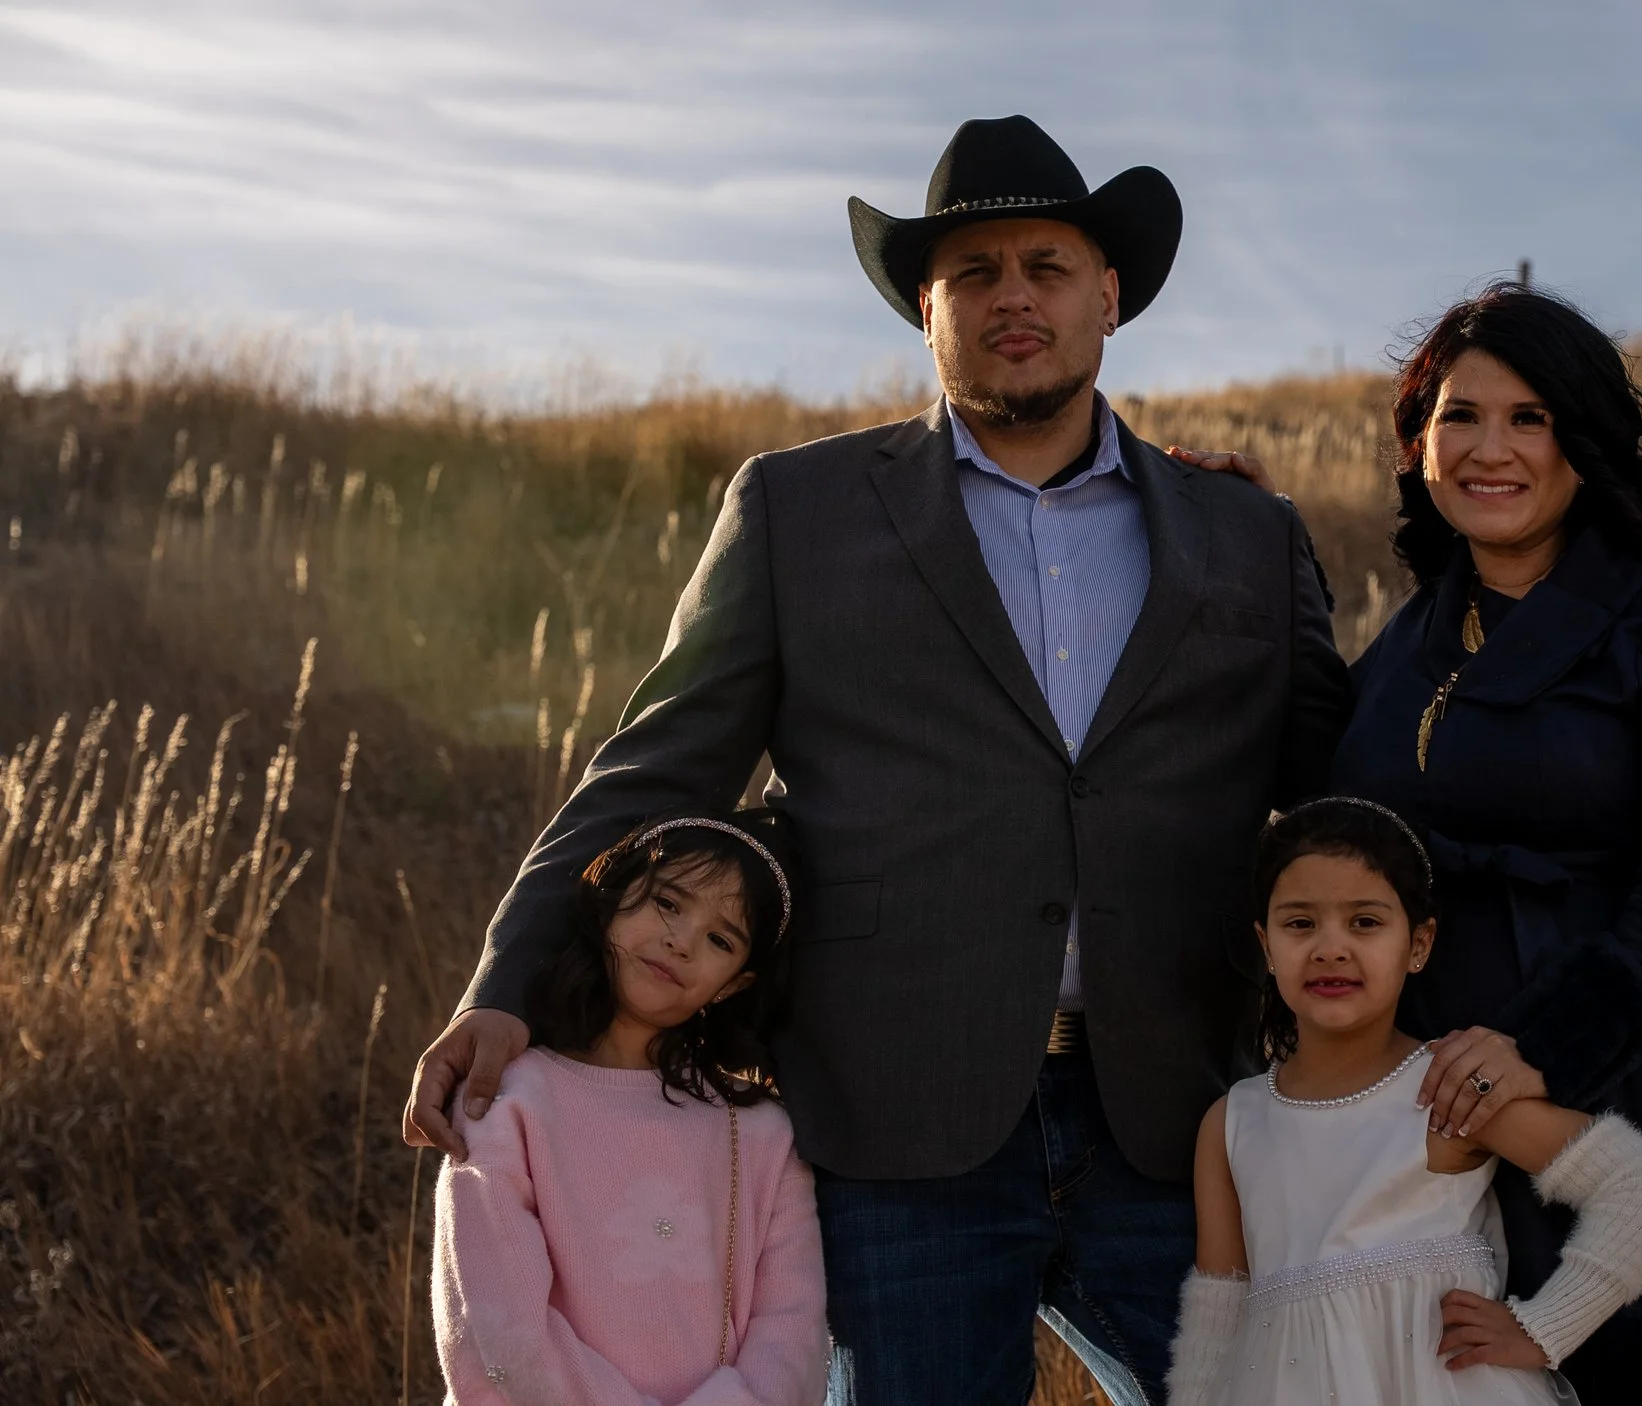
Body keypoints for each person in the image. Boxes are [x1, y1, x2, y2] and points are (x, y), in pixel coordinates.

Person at [404, 114, 1350, 1405]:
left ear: (1110, 294)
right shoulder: (799, 506)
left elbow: (1341, 796)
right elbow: (658, 766)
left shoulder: (1248, 530)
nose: (1012, 295)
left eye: (1047, 264)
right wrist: (507, 982)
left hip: (1180, 1103)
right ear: (926, 308)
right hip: (900, 1113)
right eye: (972, 273)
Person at [1174, 284, 1642, 1402]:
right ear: (1419, 441)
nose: (1491, 449)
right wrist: (1256, 545)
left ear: (1585, 441)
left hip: (1622, 1071)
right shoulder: (1410, 640)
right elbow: (1325, 787)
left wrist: (1552, 1046)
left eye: (1530, 418)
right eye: (1460, 416)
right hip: (1432, 1093)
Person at [1166, 798, 1642, 1406]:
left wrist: (1545, 1328)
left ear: (1419, 944)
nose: (1330, 947)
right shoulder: (1232, 1123)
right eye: (1300, 923)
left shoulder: (1447, 1089)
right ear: (1265, 944)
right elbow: (1217, 1318)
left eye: (1365, 922)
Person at [431, 808, 829, 1405]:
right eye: (668, 903)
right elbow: (497, 1329)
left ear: (733, 984)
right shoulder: (509, 1101)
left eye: (721, 939)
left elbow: (792, 1332)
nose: (682, 941)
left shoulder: (761, 1134)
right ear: (612, 897)